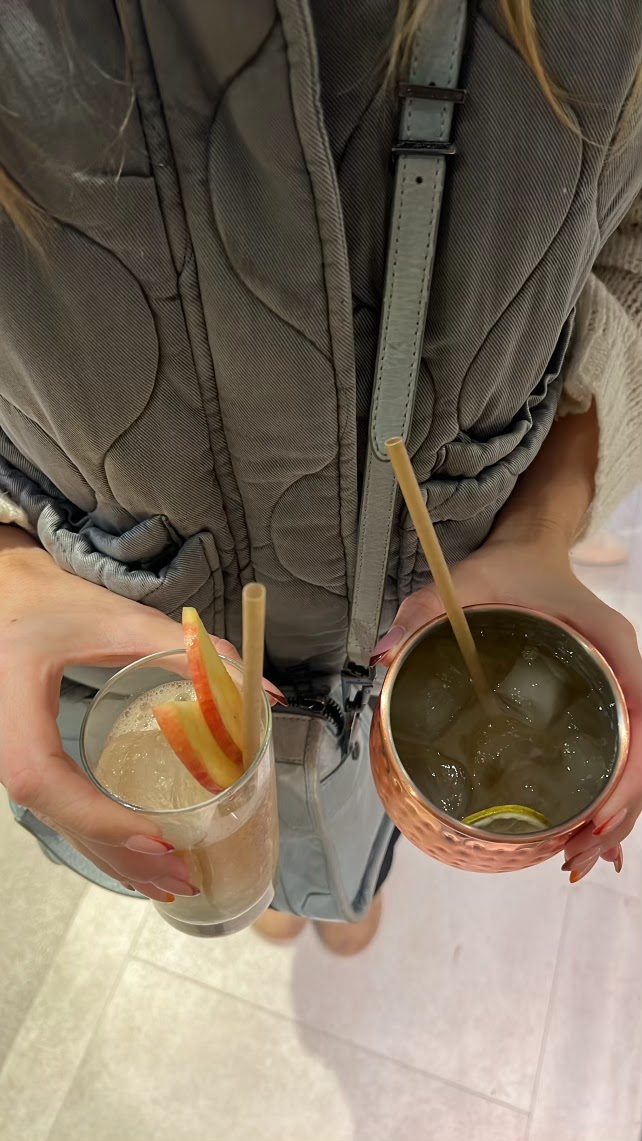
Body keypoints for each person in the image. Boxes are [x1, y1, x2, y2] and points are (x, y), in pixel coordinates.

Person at [0, 1, 641, 956]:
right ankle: (293, 883)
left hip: (414, 637)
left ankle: (337, 878)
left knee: (351, 842)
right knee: (243, 851)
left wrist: (543, 518)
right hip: (128, 665)